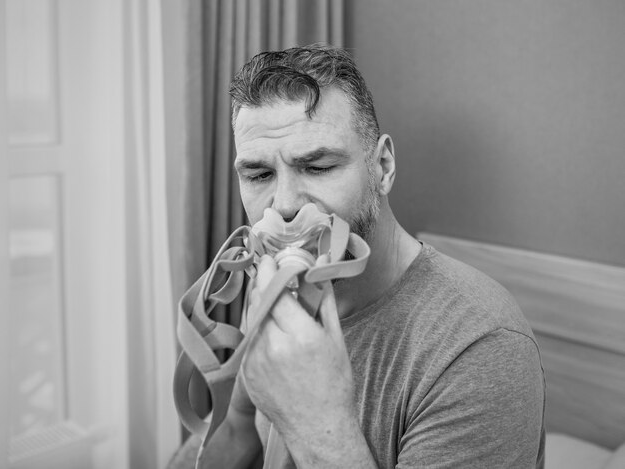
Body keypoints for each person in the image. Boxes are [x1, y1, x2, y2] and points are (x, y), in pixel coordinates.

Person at [187, 44, 545, 468]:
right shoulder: (276, 297)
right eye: (258, 174)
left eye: (318, 167)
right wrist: (244, 412)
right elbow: (231, 439)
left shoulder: (479, 348)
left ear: (383, 166)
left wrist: (315, 421)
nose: (282, 206)